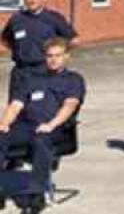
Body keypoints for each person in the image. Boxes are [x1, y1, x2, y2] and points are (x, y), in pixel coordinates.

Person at [0, 39, 85, 214]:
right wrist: (5, 123)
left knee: (41, 140)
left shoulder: (73, 80)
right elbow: (16, 104)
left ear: (66, 56)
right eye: (49, 56)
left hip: (56, 129)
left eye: (58, 56)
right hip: (26, 126)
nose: (53, 60)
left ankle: (36, 194)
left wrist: (51, 124)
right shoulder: (31, 79)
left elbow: (69, 105)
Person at [1, 0, 78, 102]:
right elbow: (5, 40)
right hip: (20, 72)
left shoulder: (53, 18)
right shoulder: (17, 19)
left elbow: (74, 40)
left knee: (39, 110)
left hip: (44, 71)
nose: (32, 0)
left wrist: (57, 56)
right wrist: (19, 51)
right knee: (15, 109)